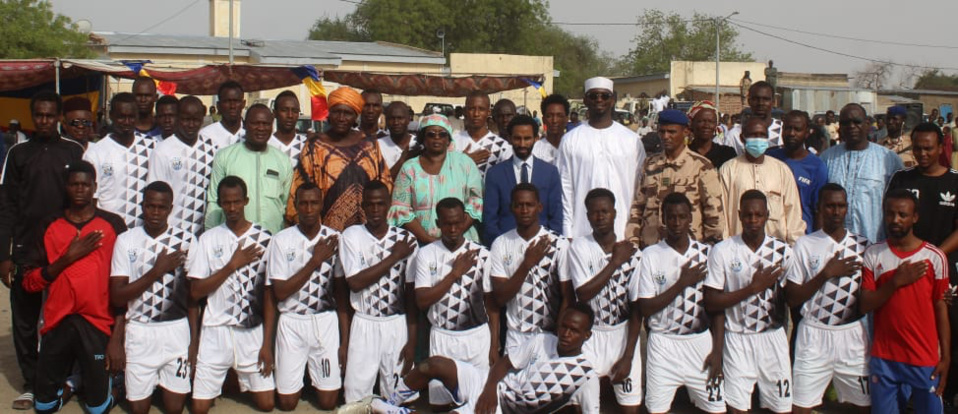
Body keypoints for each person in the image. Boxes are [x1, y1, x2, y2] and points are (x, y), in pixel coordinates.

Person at [0, 91, 85, 410]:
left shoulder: (74, 150)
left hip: (64, 252)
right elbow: (6, 206)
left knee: (60, 318)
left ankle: (60, 379)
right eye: (40, 115)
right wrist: (4, 255)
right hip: (26, 251)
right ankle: (31, 383)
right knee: (24, 320)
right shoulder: (18, 154)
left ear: (60, 117)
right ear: (32, 116)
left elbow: (83, 198)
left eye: (51, 115)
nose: (45, 120)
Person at [23, 160, 126, 414]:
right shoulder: (49, 225)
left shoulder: (113, 225)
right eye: (74, 184)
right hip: (58, 320)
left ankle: (117, 384)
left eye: (85, 184)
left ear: (94, 187)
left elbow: (124, 285)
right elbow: (29, 282)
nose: (80, 189)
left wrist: (117, 336)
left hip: (97, 322)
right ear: (66, 187)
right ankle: (70, 385)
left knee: (97, 409)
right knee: (44, 406)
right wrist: (67, 258)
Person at [376, 304, 600, 414]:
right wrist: (490, 389)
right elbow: (505, 363)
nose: (566, 334)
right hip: (490, 385)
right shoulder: (543, 340)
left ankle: (385, 410)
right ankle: (390, 404)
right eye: (564, 326)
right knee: (431, 364)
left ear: (587, 335)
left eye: (574, 330)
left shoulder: (585, 375)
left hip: (505, 409)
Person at [188, 176, 276, 414]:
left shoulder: (265, 238)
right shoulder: (208, 239)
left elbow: (269, 295)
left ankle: (236, 378)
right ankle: (227, 377)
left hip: (250, 331)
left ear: (246, 201)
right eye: (227, 203)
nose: (233, 208)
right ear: (220, 203)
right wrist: (231, 265)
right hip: (215, 331)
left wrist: (267, 343)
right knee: (199, 408)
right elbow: (195, 292)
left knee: (267, 405)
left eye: (237, 201)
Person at [859, 189, 950, 413]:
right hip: (885, 358)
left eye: (902, 214)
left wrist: (946, 357)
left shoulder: (934, 257)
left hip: (923, 357)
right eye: (890, 214)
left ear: (915, 217)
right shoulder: (873, 254)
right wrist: (895, 282)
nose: (895, 220)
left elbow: (941, 308)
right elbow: (865, 304)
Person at [109, 181, 196, 414]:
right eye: (150, 206)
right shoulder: (126, 240)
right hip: (140, 331)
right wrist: (157, 271)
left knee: (175, 409)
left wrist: (194, 342)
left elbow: (193, 298)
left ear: (170, 208)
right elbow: (117, 297)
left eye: (161, 207)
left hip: (176, 332)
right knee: (139, 409)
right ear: (142, 206)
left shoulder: (186, 241)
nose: (155, 213)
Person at [704, 189, 793, 414]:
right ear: (739, 215)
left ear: (767, 215)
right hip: (737, 339)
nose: (753, 220)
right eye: (748, 215)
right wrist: (753, 288)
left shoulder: (782, 252)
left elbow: (793, 299)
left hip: (772, 338)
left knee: (781, 408)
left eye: (758, 215)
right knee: (737, 408)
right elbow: (712, 302)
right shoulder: (722, 250)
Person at [784, 183, 870, 413]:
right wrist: (826, 274)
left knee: (863, 405)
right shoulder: (805, 244)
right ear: (819, 208)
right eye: (830, 206)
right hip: (813, 335)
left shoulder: (863, 246)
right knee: (800, 406)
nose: (835, 211)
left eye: (840, 206)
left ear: (847, 208)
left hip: (851, 335)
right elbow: (791, 298)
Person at [637, 192, 725, 414]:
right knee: (656, 409)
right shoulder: (650, 255)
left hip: (700, 343)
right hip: (663, 344)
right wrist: (681, 283)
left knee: (715, 409)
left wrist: (718, 351)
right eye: (671, 217)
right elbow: (645, 307)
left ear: (690, 218)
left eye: (682, 217)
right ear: (663, 219)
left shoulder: (707, 253)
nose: (677, 223)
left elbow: (716, 308)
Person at [266, 182, 348, 410]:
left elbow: (341, 294)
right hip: (291, 322)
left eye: (314, 203)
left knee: (328, 402)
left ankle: (317, 379)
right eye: (303, 203)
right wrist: (315, 260)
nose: (309, 209)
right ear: (295, 205)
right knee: (287, 403)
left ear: (321, 205)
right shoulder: (281, 240)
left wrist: (344, 340)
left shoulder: (335, 239)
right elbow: (280, 292)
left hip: (324, 323)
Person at [340, 181, 419, 402]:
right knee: (356, 395)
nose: (375, 210)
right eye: (370, 204)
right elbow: (355, 282)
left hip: (396, 324)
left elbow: (411, 295)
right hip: (364, 323)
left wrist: (412, 341)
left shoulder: (407, 240)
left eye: (380, 204)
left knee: (399, 395)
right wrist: (394, 256)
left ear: (389, 206)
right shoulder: (351, 236)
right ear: (363, 206)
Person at [413, 197, 496, 409]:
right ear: (438, 223)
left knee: (478, 404)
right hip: (443, 337)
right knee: (441, 405)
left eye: (458, 223)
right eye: (447, 223)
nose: (453, 228)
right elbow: (422, 301)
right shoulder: (425, 254)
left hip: (477, 338)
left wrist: (494, 344)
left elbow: (492, 306)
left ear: (465, 221)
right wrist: (454, 274)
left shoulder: (483, 254)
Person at [568, 188, 643, 413]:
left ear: (615, 213)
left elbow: (636, 309)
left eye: (605, 211)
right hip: (590, 334)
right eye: (594, 212)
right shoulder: (579, 247)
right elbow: (583, 293)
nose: (600, 217)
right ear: (587, 215)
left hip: (622, 334)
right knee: (583, 404)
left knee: (630, 405)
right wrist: (614, 262)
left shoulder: (634, 254)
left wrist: (628, 356)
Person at [288, 87, 392, 231]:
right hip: (325, 231)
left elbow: (384, 184)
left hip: (367, 231)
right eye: (337, 112)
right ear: (329, 113)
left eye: (348, 113)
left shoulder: (369, 144)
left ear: (355, 116)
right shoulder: (315, 146)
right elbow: (301, 189)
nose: (341, 118)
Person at [489, 183, 573, 355]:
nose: (524, 210)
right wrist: (527, 264)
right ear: (511, 208)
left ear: (539, 207)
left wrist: (558, 333)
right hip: (515, 336)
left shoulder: (559, 244)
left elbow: (568, 296)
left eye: (529, 205)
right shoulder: (501, 243)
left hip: (548, 336)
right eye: (519, 205)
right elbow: (499, 298)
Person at [557, 77, 646, 239]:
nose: (599, 99)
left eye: (604, 96)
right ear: (585, 100)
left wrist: (634, 231)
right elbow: (565, 189)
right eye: (593, 96)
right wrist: (568, 233)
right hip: (581, 233)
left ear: (613, 100)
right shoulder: (570, 140)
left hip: (622, 232)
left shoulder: (631, 140)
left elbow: (640, 189)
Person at [626, 108, 724, 249]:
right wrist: (633, 242)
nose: (666, 136)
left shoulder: (701, 166)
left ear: (685, 132)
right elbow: (638, 207)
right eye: (662, 131)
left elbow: (714, 213)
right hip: (652, 248)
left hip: (688, 250)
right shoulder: (650, 165)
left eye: (672, 132)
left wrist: (709, 247)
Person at [389, 114, 483, 244]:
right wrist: (428, 240)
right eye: (431, 134)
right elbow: (400, 208)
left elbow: (476, 203)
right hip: (420, 243)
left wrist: (454, 234)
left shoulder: (465, 164)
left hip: (462, 240)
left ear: (449, 139)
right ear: (423, 138)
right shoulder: (409, 168)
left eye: (442, 134)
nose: (437, 138)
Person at [820, 103, 904, 243]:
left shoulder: (888, 159)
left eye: (856, 122)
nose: (851, 126)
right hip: (833, 245)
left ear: (867, 124)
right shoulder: (827, 158)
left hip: (874, 245)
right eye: (846, 123)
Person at [206, 104, 292, 234]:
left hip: (273, 239)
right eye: (255, 123)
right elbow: (214, 202)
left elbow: (287, 205)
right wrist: (210, 236)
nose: (261, 128)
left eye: (266, 124)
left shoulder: (283, 160)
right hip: (234, 240)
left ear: (272, 126)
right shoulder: (225, 156)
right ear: (245, 124)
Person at [719, 117, 805, 245]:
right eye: (753, 135)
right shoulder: (728, 169)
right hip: (738, 247)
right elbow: (723, 214)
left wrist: (794, 246)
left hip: (775, 247)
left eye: (762, 135)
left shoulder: (781, 170)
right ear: (743, 138)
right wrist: (725, 246)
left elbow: (793, 213)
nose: (758, 139)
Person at [483, 115, 562, 245]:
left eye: (527, 138)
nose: (522, 144)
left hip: (542, 246)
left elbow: (556, 216)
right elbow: (490, 219)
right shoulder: (495, 174)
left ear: (536, 139)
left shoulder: (550, 172)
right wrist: (501, 247)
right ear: (509, 139)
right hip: (505, 246)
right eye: (517, 138)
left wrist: (549, 245)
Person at [83, 92, 157, 229]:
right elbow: (91, 199)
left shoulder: (152, 146)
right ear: (111, 116)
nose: (127, 122)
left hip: (142, 231)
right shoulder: (96, 153)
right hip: (108, 229)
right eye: (122, 117)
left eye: (131, 117)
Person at [147, 96, 218, 237]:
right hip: (170, 231)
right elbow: (154, 195)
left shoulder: (212, 148)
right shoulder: (163, 150)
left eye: (196, 120)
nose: (191, 125)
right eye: (186, 119)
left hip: (203, 232)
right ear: (178, 118)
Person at [767, 110, 829, 234]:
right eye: (787, 128)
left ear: (806, 133)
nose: (791, 133)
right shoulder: (769, 158)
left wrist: (816, 242)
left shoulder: (816, 167)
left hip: (801, 236)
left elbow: (819, 211)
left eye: (797, 129)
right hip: (771, 233)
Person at [454, 92, 513, 177]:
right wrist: (462, 162)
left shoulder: (503, 147)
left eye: (481, 109)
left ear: (488, 112)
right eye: (472, 109)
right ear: (465, 111)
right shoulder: (453, 142)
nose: (476, 114)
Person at [721, 82, 782, 155]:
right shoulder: (735, 134)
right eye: (756, 99)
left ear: (773, 102)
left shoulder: (784, 130)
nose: (761, 103)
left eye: (766, 99)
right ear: (749, 101)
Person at [688, 100, 737, 169]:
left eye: (711, 122)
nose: (706, 125)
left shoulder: (727, 153)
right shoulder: (684, 153)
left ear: (716, 125)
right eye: (701, 121)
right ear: (692, 124)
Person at [199, 80, 246, 149]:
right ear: (218, 105)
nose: (232, 106)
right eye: (227, 101)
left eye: (236, 101)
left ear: (243, 104)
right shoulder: (205, 135)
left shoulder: (253, 135)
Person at [379, 102, 419, 178]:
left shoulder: (418, 144)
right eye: (391, 118)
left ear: (408, 119)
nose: (396, 122)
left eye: (400, 118)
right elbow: (383, 181)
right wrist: (403, 160)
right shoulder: (378, 146)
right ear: (386, 121)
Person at [268, 90, 308, 165]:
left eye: (295, 111)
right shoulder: (266, 144)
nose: (290, 115)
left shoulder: (307, 144)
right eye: (284, 110)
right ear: (274, 113)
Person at [533, 93, 569, 165]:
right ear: (543, 120)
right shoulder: (534, 151)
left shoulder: (574, 148)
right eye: (549, 116)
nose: (554, 120)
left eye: (559, 116)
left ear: (566, 119)